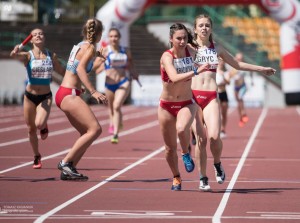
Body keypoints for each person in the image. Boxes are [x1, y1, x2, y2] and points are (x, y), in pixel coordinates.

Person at [191, 14, 276, 191]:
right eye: (201, 25)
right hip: (193, 98)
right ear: (195, 29)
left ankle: (217, 163)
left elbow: (236, 64)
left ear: (211, 29)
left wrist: (262, 69)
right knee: (201, 139)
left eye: (207, 25)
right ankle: (203, 177)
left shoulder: (217, 48)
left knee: (214, 137)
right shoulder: (189, 48)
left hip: (211, 97)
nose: (204, 28)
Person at [55, 18, 108, 181]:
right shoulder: (90, 47)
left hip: (66, 92)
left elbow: (74, 68)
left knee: (86, 132)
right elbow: (80, 69)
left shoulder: (82, 45)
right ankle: (65, 163)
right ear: (99, 34)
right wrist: (93, 91)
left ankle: (69, 169)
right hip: (69, 94)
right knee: (95, 129)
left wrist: (98, 56)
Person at [158, 23, 208, 191]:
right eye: (178, 38)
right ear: (171, 39)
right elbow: (173, 76)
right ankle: (176, 177)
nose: (181, 41)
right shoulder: (167, 56)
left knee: (181, 129)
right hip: (166, 106)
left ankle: (186, 153)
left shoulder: (191, 52)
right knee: (169, 149)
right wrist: (195, 71)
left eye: (184, 38)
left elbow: (211, 58)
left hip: (187, 102)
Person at [10, 28, 65, 169]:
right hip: (29, 97)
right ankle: (36, 156)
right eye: (35, 34)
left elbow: (61, 71)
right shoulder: (27, 56)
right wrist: (15, 51)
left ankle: (44, 124)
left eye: (40, 34)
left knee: (39, 124)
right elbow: (13, 56)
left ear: (44, 38)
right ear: (32, 40)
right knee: (31, 129)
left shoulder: (51, 55)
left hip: (45, 97)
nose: (38, 36)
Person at [95, 28, 139, 144]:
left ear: (119, 38)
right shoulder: (105, 51)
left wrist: (135, 74)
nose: (113, 38)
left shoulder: (125, 50)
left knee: (116, 105)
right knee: (111, 108)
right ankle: (114, 122)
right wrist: (103, 64)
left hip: (123, 81)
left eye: (115, 36)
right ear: (108, 38)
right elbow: (96, 69)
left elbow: (131, 64)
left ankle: (115, 133)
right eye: (111, 36)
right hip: (109, 83)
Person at [226, 52, 253, 127]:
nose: (239, 60)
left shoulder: (243, 66)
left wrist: (252, 80)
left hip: (243, 86)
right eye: (237, 58)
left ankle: (244, 113)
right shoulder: (233, 66)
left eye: (240, 58)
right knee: (238, 102)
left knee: (240, 99)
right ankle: (241, 117)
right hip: (235, 87)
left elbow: (250, 71)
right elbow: (230, 75)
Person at [216, 58, 230, 138]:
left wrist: (223, 76)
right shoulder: (214, 70)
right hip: (216, 93)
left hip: (223, 93)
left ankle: (223, 129)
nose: (221, 62)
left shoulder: (225, 72)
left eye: (222, 60)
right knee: (217, 113)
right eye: (219, 60)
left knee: (224, 113)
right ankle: (217, 129)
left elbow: (228, 82)